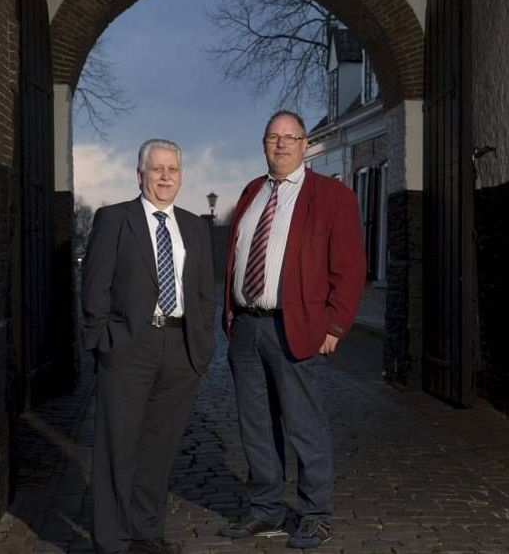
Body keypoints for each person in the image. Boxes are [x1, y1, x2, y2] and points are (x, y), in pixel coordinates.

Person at [217, 111, 366, 549]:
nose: (281, 144)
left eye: (290, 137)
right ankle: (266, 510)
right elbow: (237, 254)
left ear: (305, 144)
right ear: (264, 144)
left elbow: (350, 268)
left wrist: (336, 323)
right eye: (273, 137)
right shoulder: (250, 193)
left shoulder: (332, 197)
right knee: (256, 426)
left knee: (305, 426)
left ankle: (316, 514)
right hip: (247, 328)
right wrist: (229, 313)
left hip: (295, 327)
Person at [81, 139, 215, 554]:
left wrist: (202, 346)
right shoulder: (114, 219)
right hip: (128, 348)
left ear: (181, 175)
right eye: (156, 169)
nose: (164, 177)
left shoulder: (193, 226)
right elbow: (94, 290)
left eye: (172, 169)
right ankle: (112, 540)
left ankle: (145, 532)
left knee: (159, 449)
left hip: (179, 349)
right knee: (117, 448)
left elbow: (204, 293)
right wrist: (107, 342)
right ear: (140, 175)